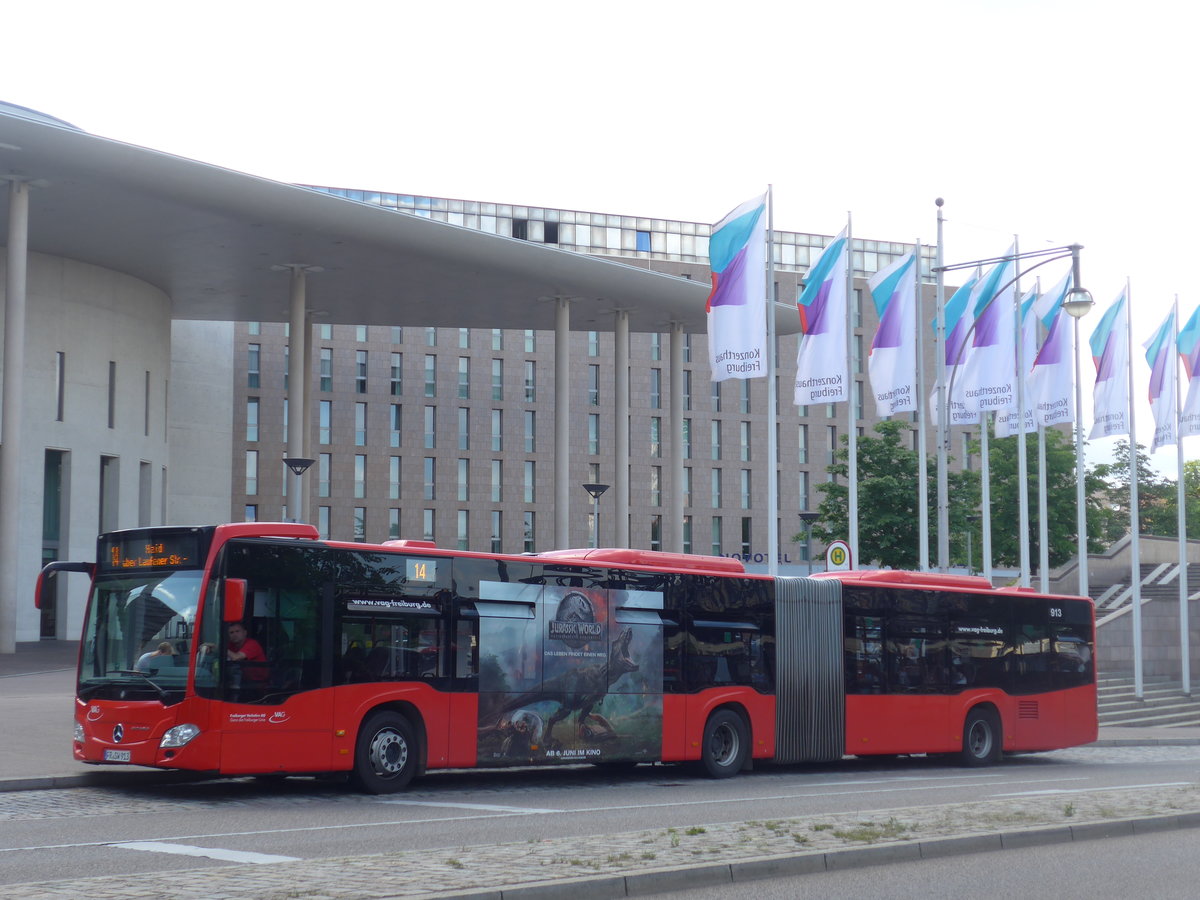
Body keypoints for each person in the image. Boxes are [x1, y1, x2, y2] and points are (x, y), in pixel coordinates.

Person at [226, 622, 269, 688]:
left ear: (245, 633)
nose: (235, 634)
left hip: (258, 684)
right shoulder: (230, 645)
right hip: (242, 681)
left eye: (237, 631)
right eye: (231, 632)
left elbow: (236, 657)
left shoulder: (252, 644)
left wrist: (220, 648)